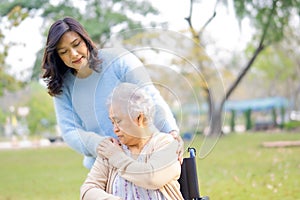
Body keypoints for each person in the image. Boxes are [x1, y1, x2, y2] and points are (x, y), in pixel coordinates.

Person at [41, 17, 182, 169]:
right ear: (58, 56)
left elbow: (150, 97)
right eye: (64, 52)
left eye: (77, 44)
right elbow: (69, 131)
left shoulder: (119, 60)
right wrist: (99, 145)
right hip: (104, 165)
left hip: (145, 157)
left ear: (86, 40)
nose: (74, 54)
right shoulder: (63, 85)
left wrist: (171, 132)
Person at [80, 82, 184, 200]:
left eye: (118, 121)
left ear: (139, 118)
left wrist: (116, 157)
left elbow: (152, 178)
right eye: (112, 122)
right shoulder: (111, 148)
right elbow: (87, 191)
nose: (115, 129)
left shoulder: (166, 143)